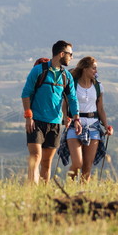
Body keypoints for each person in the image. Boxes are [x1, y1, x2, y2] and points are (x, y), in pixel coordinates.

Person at [20, 41, 80, 183]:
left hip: (54, 123)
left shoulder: (66, 76)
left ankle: (42, 194)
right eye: (70, 54)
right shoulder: (39, 71)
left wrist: (76, 118)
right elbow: (26, 93)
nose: (71, 57)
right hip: (36, 122)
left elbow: (72, 98)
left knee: (46, 163)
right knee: (35, 157)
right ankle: (31, 192)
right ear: (61, 54)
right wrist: (29, 117)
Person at [62, 56, 112, 182]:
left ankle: (82, 194)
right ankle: (69, 186)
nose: (96, 71)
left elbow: (100, 109)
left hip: (93, 126)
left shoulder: (98, 87)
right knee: (77, 163)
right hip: (75, 124)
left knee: (87, 167)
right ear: (85, 68)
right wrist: (65, 118)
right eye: (93, 68)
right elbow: (65, 104)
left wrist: (106, 126)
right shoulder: (72, 84)